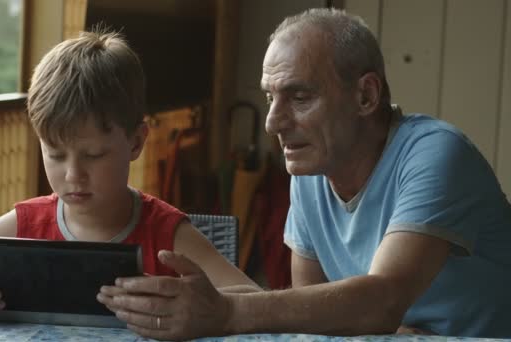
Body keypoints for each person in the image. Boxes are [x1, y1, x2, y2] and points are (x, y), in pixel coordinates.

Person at [101, 8, 511, 340]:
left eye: (299, 97)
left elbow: (383, 300)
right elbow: (309, 313)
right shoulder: (312, 169)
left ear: (366, 95)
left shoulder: (436, 153)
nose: (273, 124)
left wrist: (225, 311)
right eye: (269, 98)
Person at [0, 29, 257, 322]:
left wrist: (197, 303)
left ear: (135, 142)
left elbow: (254, 299)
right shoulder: (27, 225)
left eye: (94, 155)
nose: (73, 175)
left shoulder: (166, 234)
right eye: (55, 154)